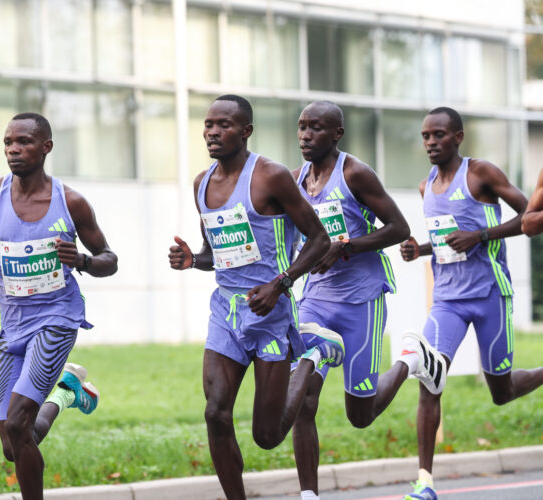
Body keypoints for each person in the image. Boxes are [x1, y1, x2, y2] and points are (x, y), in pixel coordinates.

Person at [168, 94, 340, 500]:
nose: (213, 132)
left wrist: (281, 283)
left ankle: (314, 356)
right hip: (226, 311)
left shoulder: (271, 177)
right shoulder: (201, 184)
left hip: (271, 311)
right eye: (208, 124)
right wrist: (194, 259)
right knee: (215, 412)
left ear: (245, 131)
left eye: (224, 125)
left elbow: (319, 239)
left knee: (266, 435)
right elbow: (216, 253)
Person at [288, 101, 447, 500]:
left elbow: (399, 228)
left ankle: (412, 359)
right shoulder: (294, 180)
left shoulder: (354, 173)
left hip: (362, 299)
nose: (306, 135)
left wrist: (347, 246)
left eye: (316, 128)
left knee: (360, 415)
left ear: (337, 133)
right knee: (303, 398)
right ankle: (309, 494)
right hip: (316, 299)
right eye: (302, 127)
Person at [0, 112, 118, 500]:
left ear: (46, 146)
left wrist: (81, 261)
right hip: (11, 324)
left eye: (24, 142)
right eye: (8, 142)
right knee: (12, 443)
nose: (14, 149)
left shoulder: (71, 203)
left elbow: (109, 259)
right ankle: (66, 390)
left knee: (17, 425)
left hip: (56, 320)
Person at [399, 106, 543, 500]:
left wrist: (479, 236)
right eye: (426, 136)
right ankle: (425, 483)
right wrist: (420, 248)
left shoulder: (481, 173)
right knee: (430, 381)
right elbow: (449, 242)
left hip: (491, 295)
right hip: (447, 300)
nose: (431, 142)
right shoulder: (426, 186)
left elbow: (530, 216)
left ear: (458, 137)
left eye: (439, 135)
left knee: (502, 391)